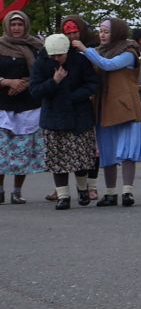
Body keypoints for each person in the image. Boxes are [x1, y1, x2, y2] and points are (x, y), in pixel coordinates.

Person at [30, 32, 100, 211]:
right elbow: (35, 90)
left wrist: (73, 96)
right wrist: (54, 81)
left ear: (67, 51)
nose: (56, 59)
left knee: (81, 157)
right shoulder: (41, 63)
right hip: (53, 117)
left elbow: (93, 84)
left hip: (79, 115)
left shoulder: (80, 61)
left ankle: (83, 189)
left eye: (59, 55)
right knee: (58, 159)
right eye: (53, 56)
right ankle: (63, 196)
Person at [78, 18, 141, 206]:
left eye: (106, 31)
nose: (102, 34)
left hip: (125, 107)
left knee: (127, 151)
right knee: (107, 152)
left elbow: (109, 65)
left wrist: (85, 49)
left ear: (117, 32)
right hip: (104, 106)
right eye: (101, 31)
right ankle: (110, 193)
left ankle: (128, 192)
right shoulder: (98, 52)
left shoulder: (129, 53)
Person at [0, 10, 47, 204]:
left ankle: (17, 191)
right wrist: (7, 82)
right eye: (13, 24)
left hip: (28, 105)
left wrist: (25, 83)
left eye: (20, 24)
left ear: (25, 26)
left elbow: (42, 72)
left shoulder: (36, 46)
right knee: (2, 151)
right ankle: (0, 190)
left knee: (23, 151)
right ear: (7, 26)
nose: (16, 28)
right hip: (3, 105)